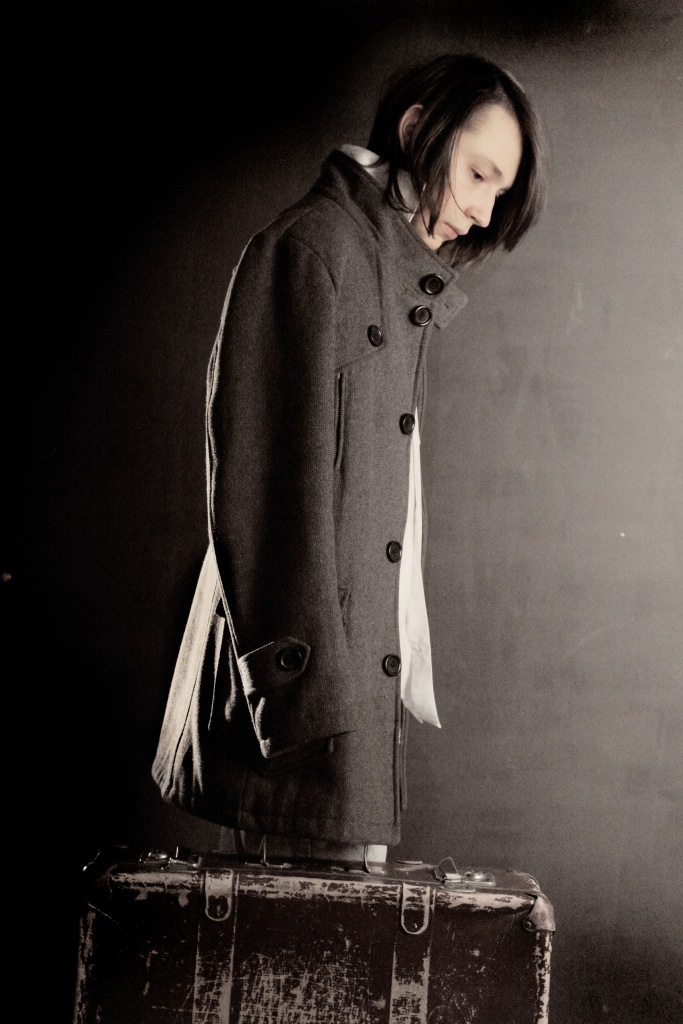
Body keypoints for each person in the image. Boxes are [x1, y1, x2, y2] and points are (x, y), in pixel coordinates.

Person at [152, 52, 548, 865]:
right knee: (295, 925)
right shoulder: (311, 249)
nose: (481, 211)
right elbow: (259, 492)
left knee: (335, 923)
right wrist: (299, 701)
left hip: (347, 687)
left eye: (498, 192)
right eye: (477, 175)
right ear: (416, 129)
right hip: (301, 701)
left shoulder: (386, 267)